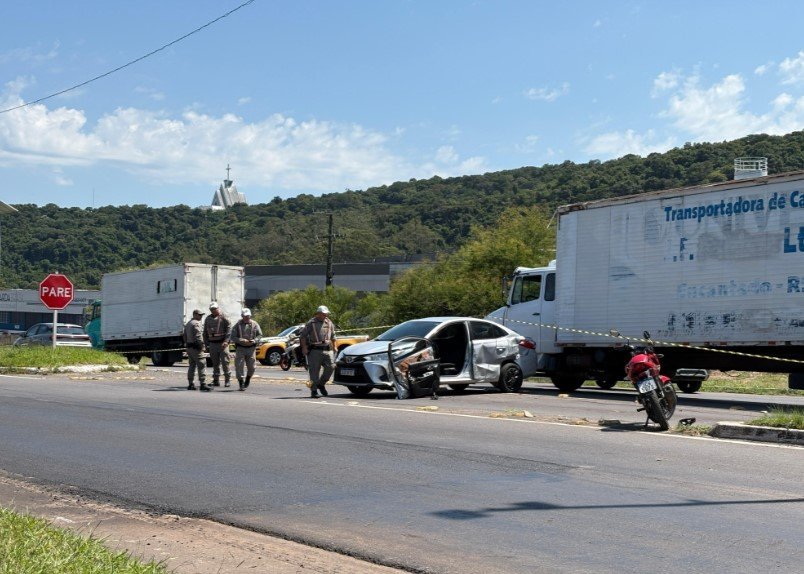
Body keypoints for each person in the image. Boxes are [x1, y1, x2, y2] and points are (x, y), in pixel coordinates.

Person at [299, 305, 336, 398]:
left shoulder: (329, 322)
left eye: (326, 313)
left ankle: (321, 383)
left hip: (328, 350)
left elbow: (333, 336)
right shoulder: (311, 323)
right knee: (314, 371)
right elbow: (302, 336)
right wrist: (304, 348)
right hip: (315, 350)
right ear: (318, 314)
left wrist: (335, 347)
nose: (325, 315)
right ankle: (314, 390)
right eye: (323, 314)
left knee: (331, 367)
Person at [231, 308, 262, 391]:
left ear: (250, 315)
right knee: (239, 366)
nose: (247, 317)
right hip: (240, 348)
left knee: (252, 367)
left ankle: (248, 379)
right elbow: (233, 336)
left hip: (251, 349)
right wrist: (241, 340)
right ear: (242, 316)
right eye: (245, 316)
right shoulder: (237, 325)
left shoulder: (255, 324)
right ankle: (241, 383)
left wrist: (254, 340)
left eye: (248, 316)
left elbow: (260, 335)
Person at [203, 302, 232, 387]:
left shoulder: (224, 317)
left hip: (222, 344)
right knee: (215, 363)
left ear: (218, 308)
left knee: (225, 363)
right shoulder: (208, 319)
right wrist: (206, 343)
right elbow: (205, 332)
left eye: (215, 309)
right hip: (212, 344)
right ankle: (216, 380)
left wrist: (226, 341)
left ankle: (227, 380)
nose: (213, 311)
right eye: (211, 309)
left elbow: (229, 329)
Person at [183, 309, 210, 392]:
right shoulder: (196, 323)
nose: (201, 316)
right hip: (196, 347)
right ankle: (203, 384)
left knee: (192, 365)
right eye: (199, 315)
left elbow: (184, 336)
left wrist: (187, 345)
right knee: (201, 364)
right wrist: (202, 346)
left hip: (190, 347)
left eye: (201, 315)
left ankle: (191, 383)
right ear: (194, 314)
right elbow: (199, 336)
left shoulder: (188, 324)